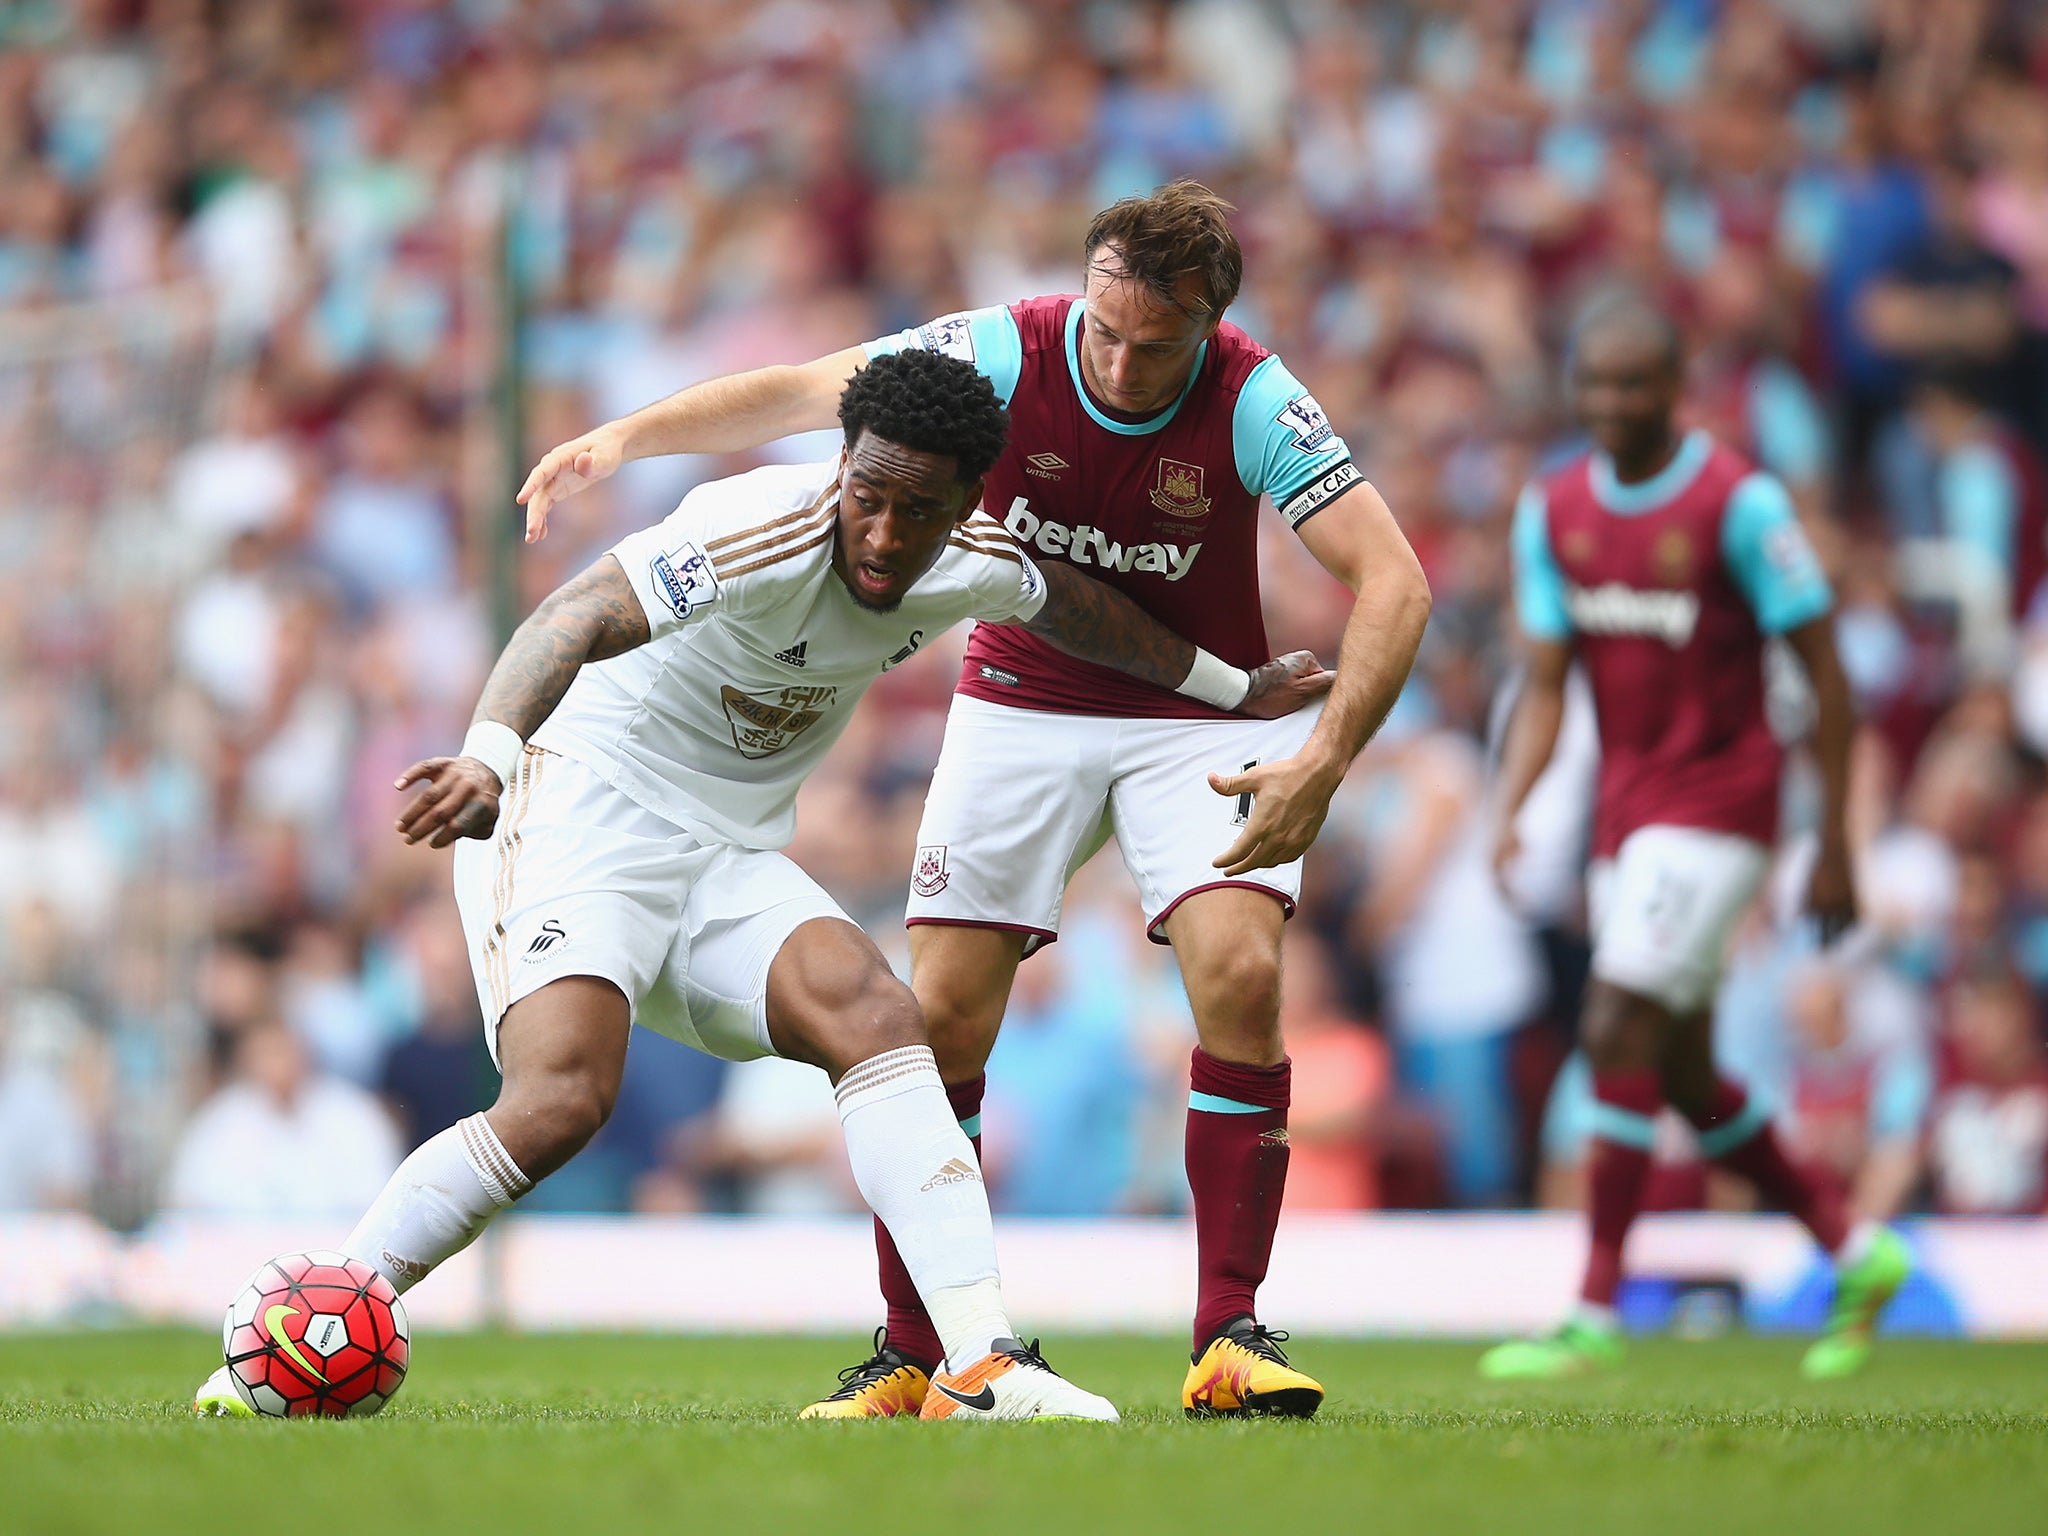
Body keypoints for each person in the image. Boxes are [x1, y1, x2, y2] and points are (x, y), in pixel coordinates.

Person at [194, 349, 1327, 1421]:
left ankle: (980, 1360)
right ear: (840, 465)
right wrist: (487, 757)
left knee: (879, 1016)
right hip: (575, 811)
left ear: (966, 502)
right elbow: (575, 612)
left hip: (722, 854)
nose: (883, 534)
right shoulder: (757, 527)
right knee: (560, 1101)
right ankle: (301, 1329)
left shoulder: (978, 559)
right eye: (865, 494)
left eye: (918, 510)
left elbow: (1080, 611)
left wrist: (1231, 688)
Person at [517, 182, 1432, 1418]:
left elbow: (1396, 583)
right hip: (1022, 694)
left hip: (1194, 712)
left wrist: (1320, 762)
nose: (1111, 360)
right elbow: (803, 389)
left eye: (1146, 344)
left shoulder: (1256, 398)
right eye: (1100, 329)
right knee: (937, 1017)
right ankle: (912, 1358)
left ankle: (1228, 1335)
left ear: (1208, 324)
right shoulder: (1003, 346)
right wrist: (626, 437)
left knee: (1239, 975)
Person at [1479, 295, 1911, 1384]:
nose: (1612, 404)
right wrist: (1512, 804)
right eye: (1595, 384)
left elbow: (1823, 674)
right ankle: (1851, 1250)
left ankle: (1590, 1306)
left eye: (1633, 384)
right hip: (1627, 814)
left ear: (1674, 391)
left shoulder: (1736, 502)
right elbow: (1543, 681)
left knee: (1613, 1017)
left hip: (1723, 804)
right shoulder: (1553, 507)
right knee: (1676, 1067)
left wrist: (1839, 846)